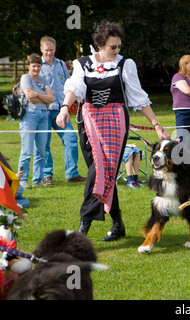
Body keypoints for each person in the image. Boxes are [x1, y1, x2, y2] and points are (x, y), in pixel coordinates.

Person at [56, 21, 169, 242]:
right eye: (112, 47)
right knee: (102, 173)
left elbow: (138, 96)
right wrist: (63, 109)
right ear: (99, 45)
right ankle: (118, 224)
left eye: (119, 46)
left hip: (114, 123)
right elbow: (75, 88)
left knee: (100, 172)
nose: (117, 51)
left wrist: (156, 124)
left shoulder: (125, 64)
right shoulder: (82, 63)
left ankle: (83, 228)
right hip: (87, 123)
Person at [39, 36, 86, 186]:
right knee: (44, 143)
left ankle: (71, 173)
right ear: (41, 50)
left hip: (61, 111)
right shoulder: (37, 65)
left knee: (71, 139)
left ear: (55, 49)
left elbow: (70, 84)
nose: (49, 53)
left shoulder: (61, 65)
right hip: (44, 111)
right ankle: (47, 176)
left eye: (52, 50)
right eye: (47, 50)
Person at [17, 53, 54, 189]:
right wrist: (44, 98)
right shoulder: (25, 78)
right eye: (33, 66)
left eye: (38, 66)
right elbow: (29, 98)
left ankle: (37, 180)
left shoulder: (43, 79)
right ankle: (23, 179)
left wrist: (38, 94)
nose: (36, 69)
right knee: (26, 151)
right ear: (28, 66)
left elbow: (52, 99)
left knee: (41, 150)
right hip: (29, 116)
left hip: (44, 115)